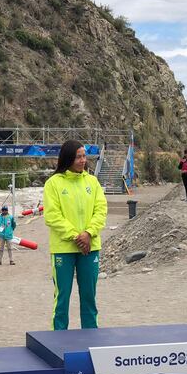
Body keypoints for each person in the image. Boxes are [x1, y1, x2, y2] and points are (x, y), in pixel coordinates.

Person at [43, 140, 108, 330]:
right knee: (62, 298)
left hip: (90, 247)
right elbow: (52, 216)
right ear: (68, 158)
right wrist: (76, 236)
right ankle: (58, 339)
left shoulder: (92, 181)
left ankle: (90, 336)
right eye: (78, 156)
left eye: (84, 156)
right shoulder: (53, 184)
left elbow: (101, 210)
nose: (82, 160)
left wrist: (88, 233)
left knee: (89, 296)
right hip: (64, 249)